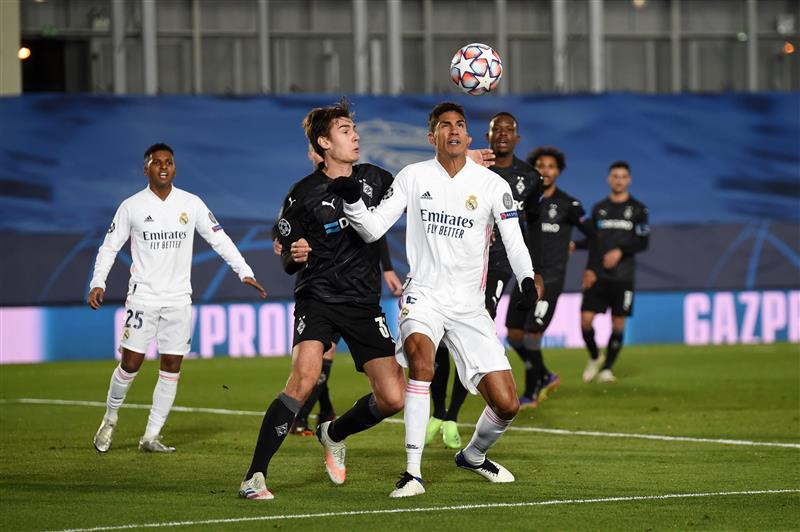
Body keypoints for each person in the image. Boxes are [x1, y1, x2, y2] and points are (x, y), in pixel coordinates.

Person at [329, 102, 543, 498]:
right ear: (432, 137)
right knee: (422, 364)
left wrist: (527, 278)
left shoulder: (493, 185)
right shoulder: (413, 176)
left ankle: (474, 455)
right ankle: (413, 474)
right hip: (423, 296)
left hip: (469, 307)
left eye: (460, 124)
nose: (454, 131)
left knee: (507, 404)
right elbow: (374, 229)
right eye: (444, 126)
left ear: (469, 135)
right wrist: (353, 202)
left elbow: (513, 238)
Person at [239, 99, 407, 501]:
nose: (356, 136)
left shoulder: (376, 178)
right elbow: (286, 259)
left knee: (393, 398)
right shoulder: (302, 195)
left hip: (365, 302)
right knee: (303, 379)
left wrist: (461, 160)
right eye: (346, 130)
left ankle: (333, 432)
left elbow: (422, 187)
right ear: (324, 142)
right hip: (318, 297)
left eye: (354, 128)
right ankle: (254, 476)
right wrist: (292, 256)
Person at [88, 143, 267, 454]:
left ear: (174, 168)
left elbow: (218, 238)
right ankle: (110, 418)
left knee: (171, 365)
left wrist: (244, 271)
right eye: (156, 162)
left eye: (168, 162)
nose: (163, 166)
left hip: (179, 300)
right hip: (143, 297)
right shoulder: (131, 206)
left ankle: (151, 436)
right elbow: (109, 247)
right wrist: (98, 282)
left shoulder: (191, 203)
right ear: (146, 169)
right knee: (130, 364)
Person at [426, 112, 543, 447]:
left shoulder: (529, 178)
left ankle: (451, 415)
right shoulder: (471, 168)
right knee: (441, 336)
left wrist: (535, 272)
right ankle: (438, 411)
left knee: (471, 333)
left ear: (517, 138)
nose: (503, 134)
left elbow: (529, 228)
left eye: (510, 129)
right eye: (497, 129)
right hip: (458, 262)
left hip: (498, 267)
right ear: (487, 136)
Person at [519, 146, 595, 406]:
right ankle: (546, 375)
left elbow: (594, 234)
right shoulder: (524, 201)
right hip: (525, 276)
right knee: (513, 334)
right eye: (540, 165)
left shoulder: (568, 204)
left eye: (551, 166)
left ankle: (530, 392)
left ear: (558, 171)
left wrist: (581, 252)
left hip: (550, 279)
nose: (545, 171)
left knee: (532, 333)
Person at [579, 160, 649, 383]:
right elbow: (594, 241)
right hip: (598, 274)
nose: (619, 180)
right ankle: (595, 356)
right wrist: (577, 248)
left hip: (623, 276)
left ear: (629, 180)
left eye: (623, 177)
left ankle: (607, 368)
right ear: (609, 179)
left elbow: (643, 242)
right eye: (615, 176)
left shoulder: (638, 210)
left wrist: (620, 251)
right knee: (585, 321)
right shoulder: (599, 209)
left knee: (618, 324)